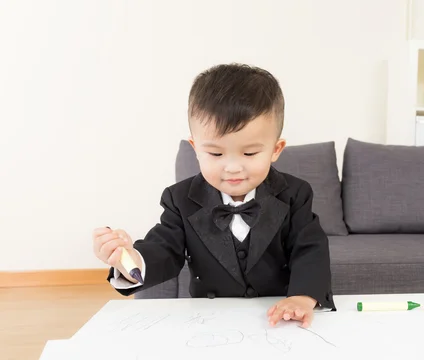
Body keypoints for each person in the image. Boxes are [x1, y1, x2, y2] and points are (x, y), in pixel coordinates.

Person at [92, 63, 335, 328]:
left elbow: (310, 249)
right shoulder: (180, 199)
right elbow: (165, 249)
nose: (232, 167)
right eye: (216, 154)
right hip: (209, 320)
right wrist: (130, 260)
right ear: (196, 148)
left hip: (277, 316)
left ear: (276, 149)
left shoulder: (295, 194)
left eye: (250, 153)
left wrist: (301, 298)